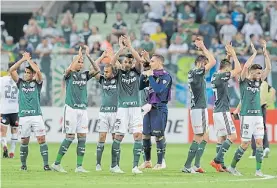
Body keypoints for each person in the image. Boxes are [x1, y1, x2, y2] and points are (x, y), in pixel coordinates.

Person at [51, 46, 99, 173]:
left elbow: (97, 69)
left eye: (82, 62)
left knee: (82, 137)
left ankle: (79, 167)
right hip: (71, 109)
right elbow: (69, 69)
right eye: (79, 61)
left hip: (83, 109)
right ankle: (56, 163)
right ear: (73, 63)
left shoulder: (85, 75)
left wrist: (88, 56)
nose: (81, 63)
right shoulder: (69, 74)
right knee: (70, 137)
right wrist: (77, 56)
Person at [228, 40, 271, 176]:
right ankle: (232, 166)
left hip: (258, 116)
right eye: (257, 73)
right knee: (245, 144)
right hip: (246, 116)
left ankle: (258, 170)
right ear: (251, 72)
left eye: (260, 73)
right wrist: (254, 54)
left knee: (259, 142)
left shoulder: (259, 81)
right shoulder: (243, 80)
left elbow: (268, 69)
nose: (260, 75)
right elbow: (245, 67)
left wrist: (265, 54)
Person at [9, 52, 50, 171]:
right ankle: (23, 165)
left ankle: (46, 165)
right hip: (24, 116)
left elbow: (39, 72)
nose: (26, 74)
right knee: (24, 141)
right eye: (25, 72)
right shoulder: (20, 83)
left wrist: (29, 61)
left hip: (36, 116)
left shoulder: (37, 83)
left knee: (41, 139)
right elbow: (12, 70)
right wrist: (23, 59)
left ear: (32, 74)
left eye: (28, 73)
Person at [110, 35, 143, 174]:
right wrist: (121, 49)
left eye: (130, 62)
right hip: (122, 109)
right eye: (125, 62)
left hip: (136, 108)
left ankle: (135, 166)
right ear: (122, 63)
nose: (127, 64)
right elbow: (112, 62)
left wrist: (130, 46)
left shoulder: (136, 71)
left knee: (138, 136)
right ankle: (114, 166)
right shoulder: (118, 73)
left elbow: (139, 60)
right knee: (118, 137)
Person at [182, 38, 216, 173]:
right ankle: (187, 165)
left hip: (198, 107)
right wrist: (203, 47)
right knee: (198, 136)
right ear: (200, 63)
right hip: (199, 108)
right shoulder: (196, 72)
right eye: (205, 64)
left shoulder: (193, 73)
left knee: (205, 136)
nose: (206, 67)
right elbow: (213, 61)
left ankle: (196, 165)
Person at [209, 44, 242, 172]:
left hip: (217, 111)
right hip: (222, 111)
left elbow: (225, 66)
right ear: (226, 69)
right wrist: (234, 54)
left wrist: (228, 55)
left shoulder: (216, 75)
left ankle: (220, 166)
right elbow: (238, 69)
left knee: (222, 138)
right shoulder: (223, 76)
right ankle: (216, 160)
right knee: (233, 136)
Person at [138, 51, 172, 170]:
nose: (150, 63)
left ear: (159, 62)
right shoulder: (151, 74)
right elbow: (140, 86)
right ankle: (147, 161)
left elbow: (158, 89)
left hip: (160, 107)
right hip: (149, 107)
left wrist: (150, 75)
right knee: (145, 135)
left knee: (158, 135)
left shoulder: (166, 76)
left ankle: (160, 162)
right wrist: (144, 73)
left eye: (152, 61)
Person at [89, 50, 119, 171]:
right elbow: (93, 69)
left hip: (116, 112)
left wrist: (112, 56)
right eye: (104, 71)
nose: (105, 73)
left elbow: (116, 64)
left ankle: (115, 164)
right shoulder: (102, 79)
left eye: (107, 72)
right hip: (104, 112)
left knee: (115, 139)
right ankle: (98, 164)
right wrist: (101, 57)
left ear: (112, 72)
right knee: (102, 137)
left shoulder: (118, 80)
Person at [0, 63, 19, 158]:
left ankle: (4, 145)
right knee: (14, 130)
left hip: (4, 109)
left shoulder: (2, 80)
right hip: (15, 110)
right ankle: (12, 151)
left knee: (3, 131)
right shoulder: (18, 81)